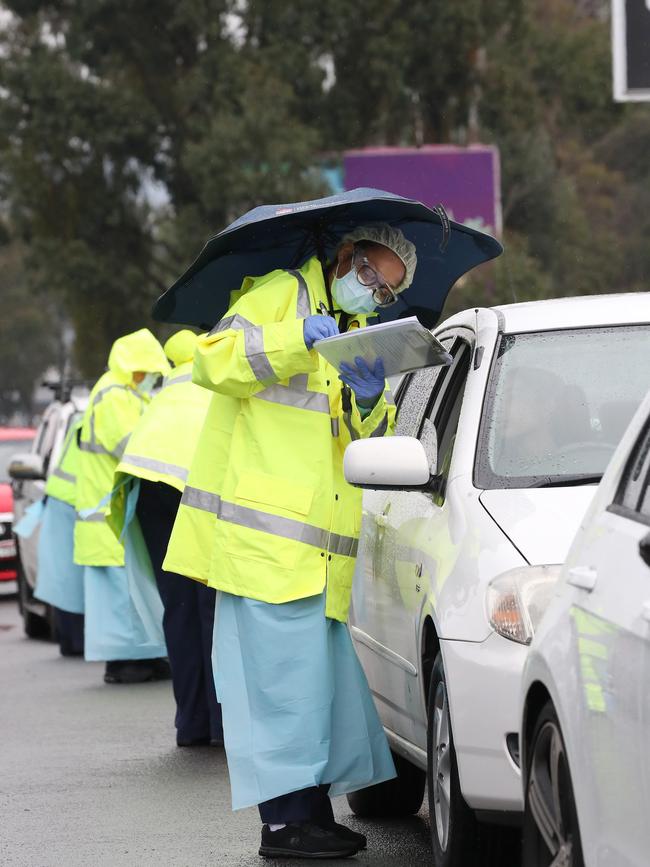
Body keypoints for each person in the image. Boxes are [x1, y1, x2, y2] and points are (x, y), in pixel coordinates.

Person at [163, 224, 417, 859]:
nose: (375, 294)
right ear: (345, 257)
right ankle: (283, 826)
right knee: (279, 694)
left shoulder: (351, 331)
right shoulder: (279, 295)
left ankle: (311, 814)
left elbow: (354, 436)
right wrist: (292, 340)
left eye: (387, 293)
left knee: (314, 695)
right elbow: (212, 361)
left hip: (318, 551)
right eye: (372, 278)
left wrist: (370, 400)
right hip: (265, 546)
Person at [109, 330, 223, 746]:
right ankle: (221, 725)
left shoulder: (166, 389)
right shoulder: (218, 380)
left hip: (148, 491)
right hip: (194, 490)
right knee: (211, 608)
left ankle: (190, 725)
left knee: (178, 607)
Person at [73, 328, 171, 684]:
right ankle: (125, 661)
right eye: (147, 372)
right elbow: (133, 446)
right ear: (135, 369)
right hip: (107, 515)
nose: (150, 380)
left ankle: (144, 655)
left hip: (111, 513)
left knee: (129, 593)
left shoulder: (125, 393)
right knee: (120, 597)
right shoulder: (115, 395)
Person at [33, 415, 85, 656]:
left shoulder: (83, 418)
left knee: (65, 575)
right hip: (70, 502)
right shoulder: (96, 416)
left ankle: (72, 641)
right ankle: (74, 642)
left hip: (65, 499)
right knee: (69, 577)